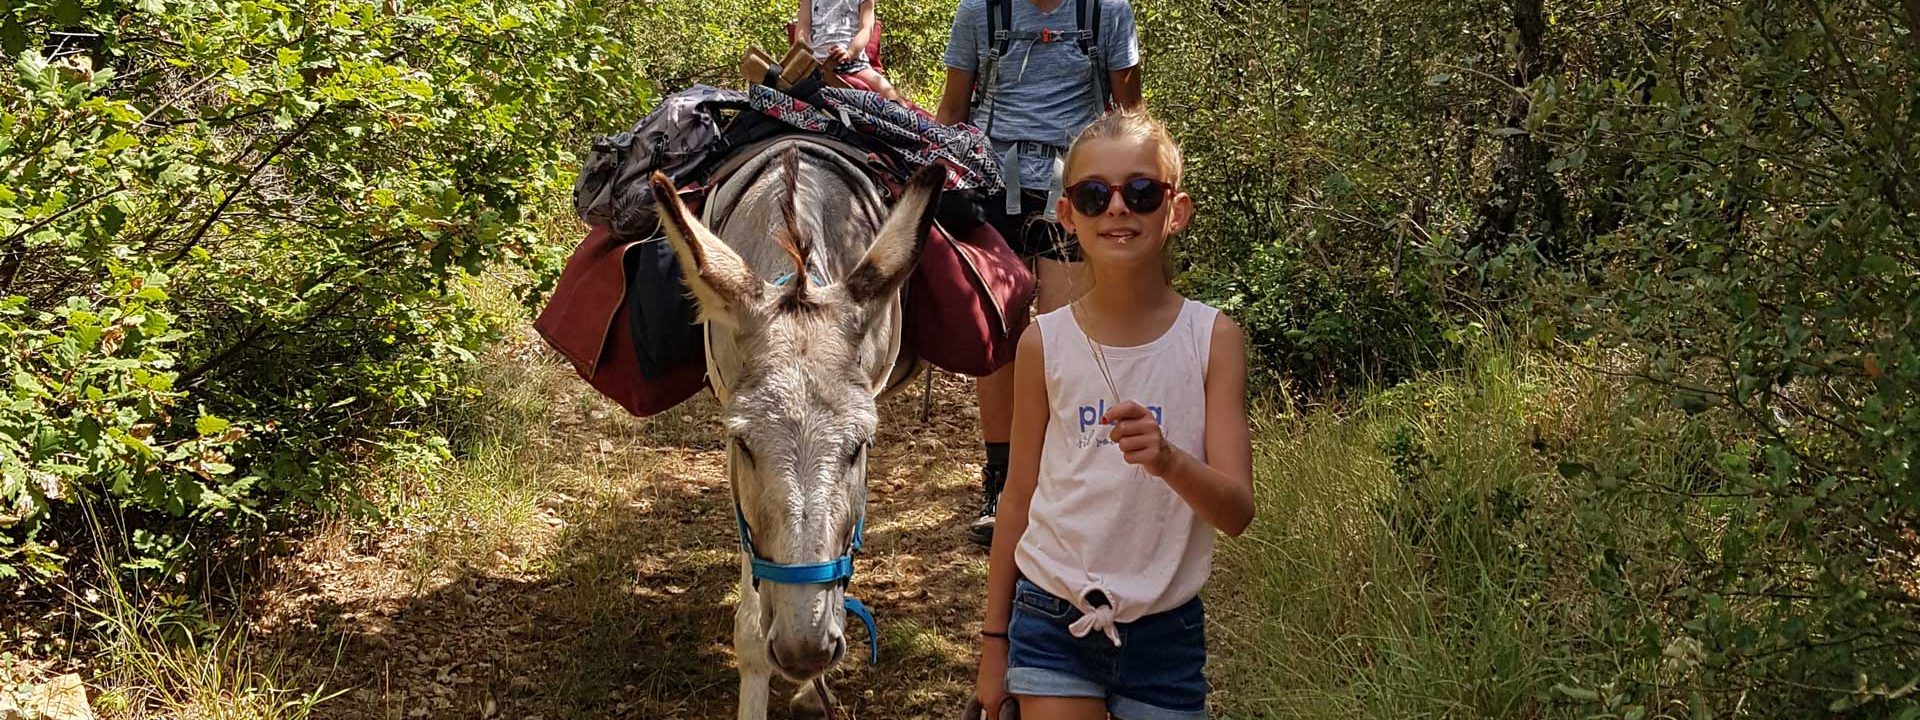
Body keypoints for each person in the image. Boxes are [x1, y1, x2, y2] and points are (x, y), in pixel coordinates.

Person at [971, 109, 1254, 720]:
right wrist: (994, 646)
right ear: (1068, 216)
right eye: (1095, 195)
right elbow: (1017, 498)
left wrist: (1170, 460)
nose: (1118, 209)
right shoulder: (1042, 343)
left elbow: (1236, 512)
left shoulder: (1214, 340)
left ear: (1175, 211)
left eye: (1142, 192)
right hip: (1052, 617)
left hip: (1165, 635)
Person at [937, 0, 1145, 547]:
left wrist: (1138, 203)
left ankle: (1061, 476)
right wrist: (932, 188)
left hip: (1078, 190)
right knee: (1000, 332)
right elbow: (953, 111)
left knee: (1063, 334)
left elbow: (1130, 117)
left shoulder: (1107, 13)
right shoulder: (978, 13)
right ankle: (1002, 481)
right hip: (990, 184)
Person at [798, 0, 905, 102]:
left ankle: (907, 116)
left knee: (886, 90)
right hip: (816, 62)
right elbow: (803, 26)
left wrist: (850, 53)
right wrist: (804, 54)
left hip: (854, 63)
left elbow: (866, 28)